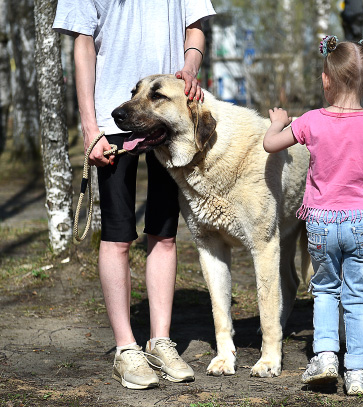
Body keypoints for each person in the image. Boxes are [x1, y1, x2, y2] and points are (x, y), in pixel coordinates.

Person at [53, 1, 215, 390]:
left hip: (168, 119)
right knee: (117, 234)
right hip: (114, 118)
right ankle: (126, 349)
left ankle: (160, 342)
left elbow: (195, 28)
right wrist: (90, 127)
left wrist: (190, 69)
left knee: (164, 233)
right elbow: (83, 43)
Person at [263, 35, 363, 395]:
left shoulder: (311, 121)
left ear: (326, 80)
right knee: (358, 296)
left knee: (325, 289)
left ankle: (325, 356)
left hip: (322, 223)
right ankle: (357, 372)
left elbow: (270, 144)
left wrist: (277, 122)